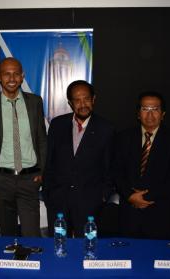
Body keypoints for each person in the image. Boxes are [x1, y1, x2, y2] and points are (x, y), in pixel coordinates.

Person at [0, 57, 47, 237]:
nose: (11, 78)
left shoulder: (35, 102)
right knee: (7, 234)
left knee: (32, 235)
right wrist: (0, 166)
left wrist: (42, 171)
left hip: (29, 179)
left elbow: (41, 139)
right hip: (1, 180)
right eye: (6, 74)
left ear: (22, 76)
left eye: (16, 73)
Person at [43, 80, 115, 237]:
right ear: (70, 103)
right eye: (77, 100)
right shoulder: (57, 124)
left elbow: (110, 168)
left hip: (89, 204)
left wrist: (102, 197)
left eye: (87, 99)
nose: (83, 104)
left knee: (87, 251)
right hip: (58, 202)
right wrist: (48, 193)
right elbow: (49, 162)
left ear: (94, 99)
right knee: (58, 249)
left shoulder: (106, 129)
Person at [113, 91, 170, 239]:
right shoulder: (123, 138)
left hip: (160, 214)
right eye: (145, 109)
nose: (150, 114)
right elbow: (116, 171)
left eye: (155, 109)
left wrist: (146, 198)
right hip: (129, 213)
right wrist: (130, 196)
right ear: (138, 114)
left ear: (163, 114)